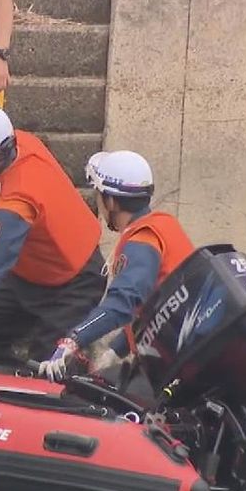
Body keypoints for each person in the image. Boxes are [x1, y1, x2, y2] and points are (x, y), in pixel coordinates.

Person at [0, 99, 106, 367]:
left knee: (52, 364)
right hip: (26, 273)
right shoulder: (21, 141)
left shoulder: (15, 204)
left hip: (74, 283)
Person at [36, 151, 196, 381]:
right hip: (184, 346)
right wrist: (116, 350)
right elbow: (156, 307)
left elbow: (125, 301)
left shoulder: (142, 240)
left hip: (178, 358)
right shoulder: (164, 225)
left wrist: (73, 340)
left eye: (99, 196)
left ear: (110, 201)